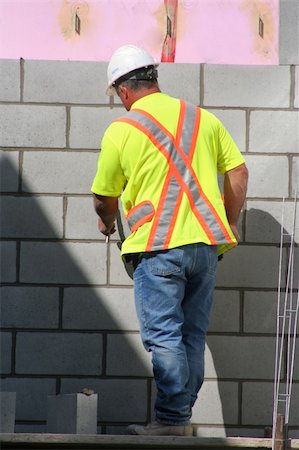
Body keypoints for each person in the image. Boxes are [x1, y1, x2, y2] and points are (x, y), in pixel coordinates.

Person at [91, 44, 248, 436]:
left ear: (123, 90)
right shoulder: (202, 118)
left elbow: (103, 197)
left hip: (158, 250)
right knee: (190, 335)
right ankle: (178, 417)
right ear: (153, 78)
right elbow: (239, 173)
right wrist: (229, 221)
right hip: (206, 248)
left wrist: (106, 220)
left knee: (164, 337)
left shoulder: (123, 129)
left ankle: (173, 421)